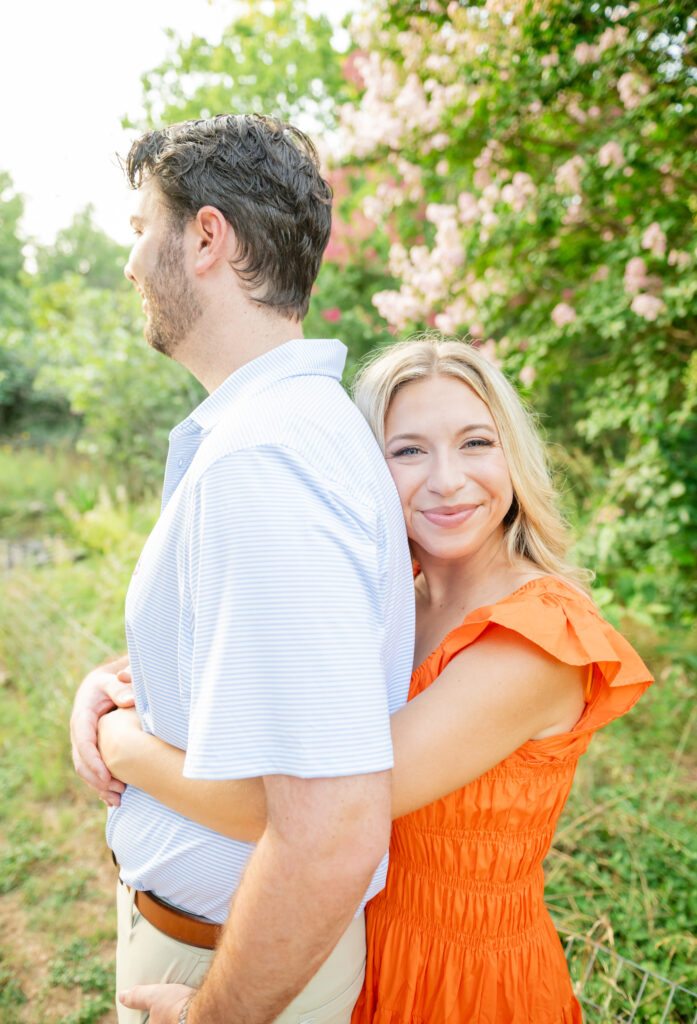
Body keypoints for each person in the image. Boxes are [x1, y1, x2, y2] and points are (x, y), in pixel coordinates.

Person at [98, 336, 653, 1023]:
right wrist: (98, 689)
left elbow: (310, 817)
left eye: (475, 443)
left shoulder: (534, 639)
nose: (446, 479)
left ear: (513, 456)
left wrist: (120, 745)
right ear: (366, 468)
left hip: (461, 983)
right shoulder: (389, 602)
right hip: (345, 953)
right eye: (408, 450)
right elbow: (191, 664)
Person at [69, 114, 415, 1024]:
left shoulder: (265, 459)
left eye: (143, 229)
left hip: (231, 973)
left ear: (207, 237)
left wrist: (216, 1013)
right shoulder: (279, 434)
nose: (135, 263)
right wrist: (114, 695)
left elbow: (332, 832)